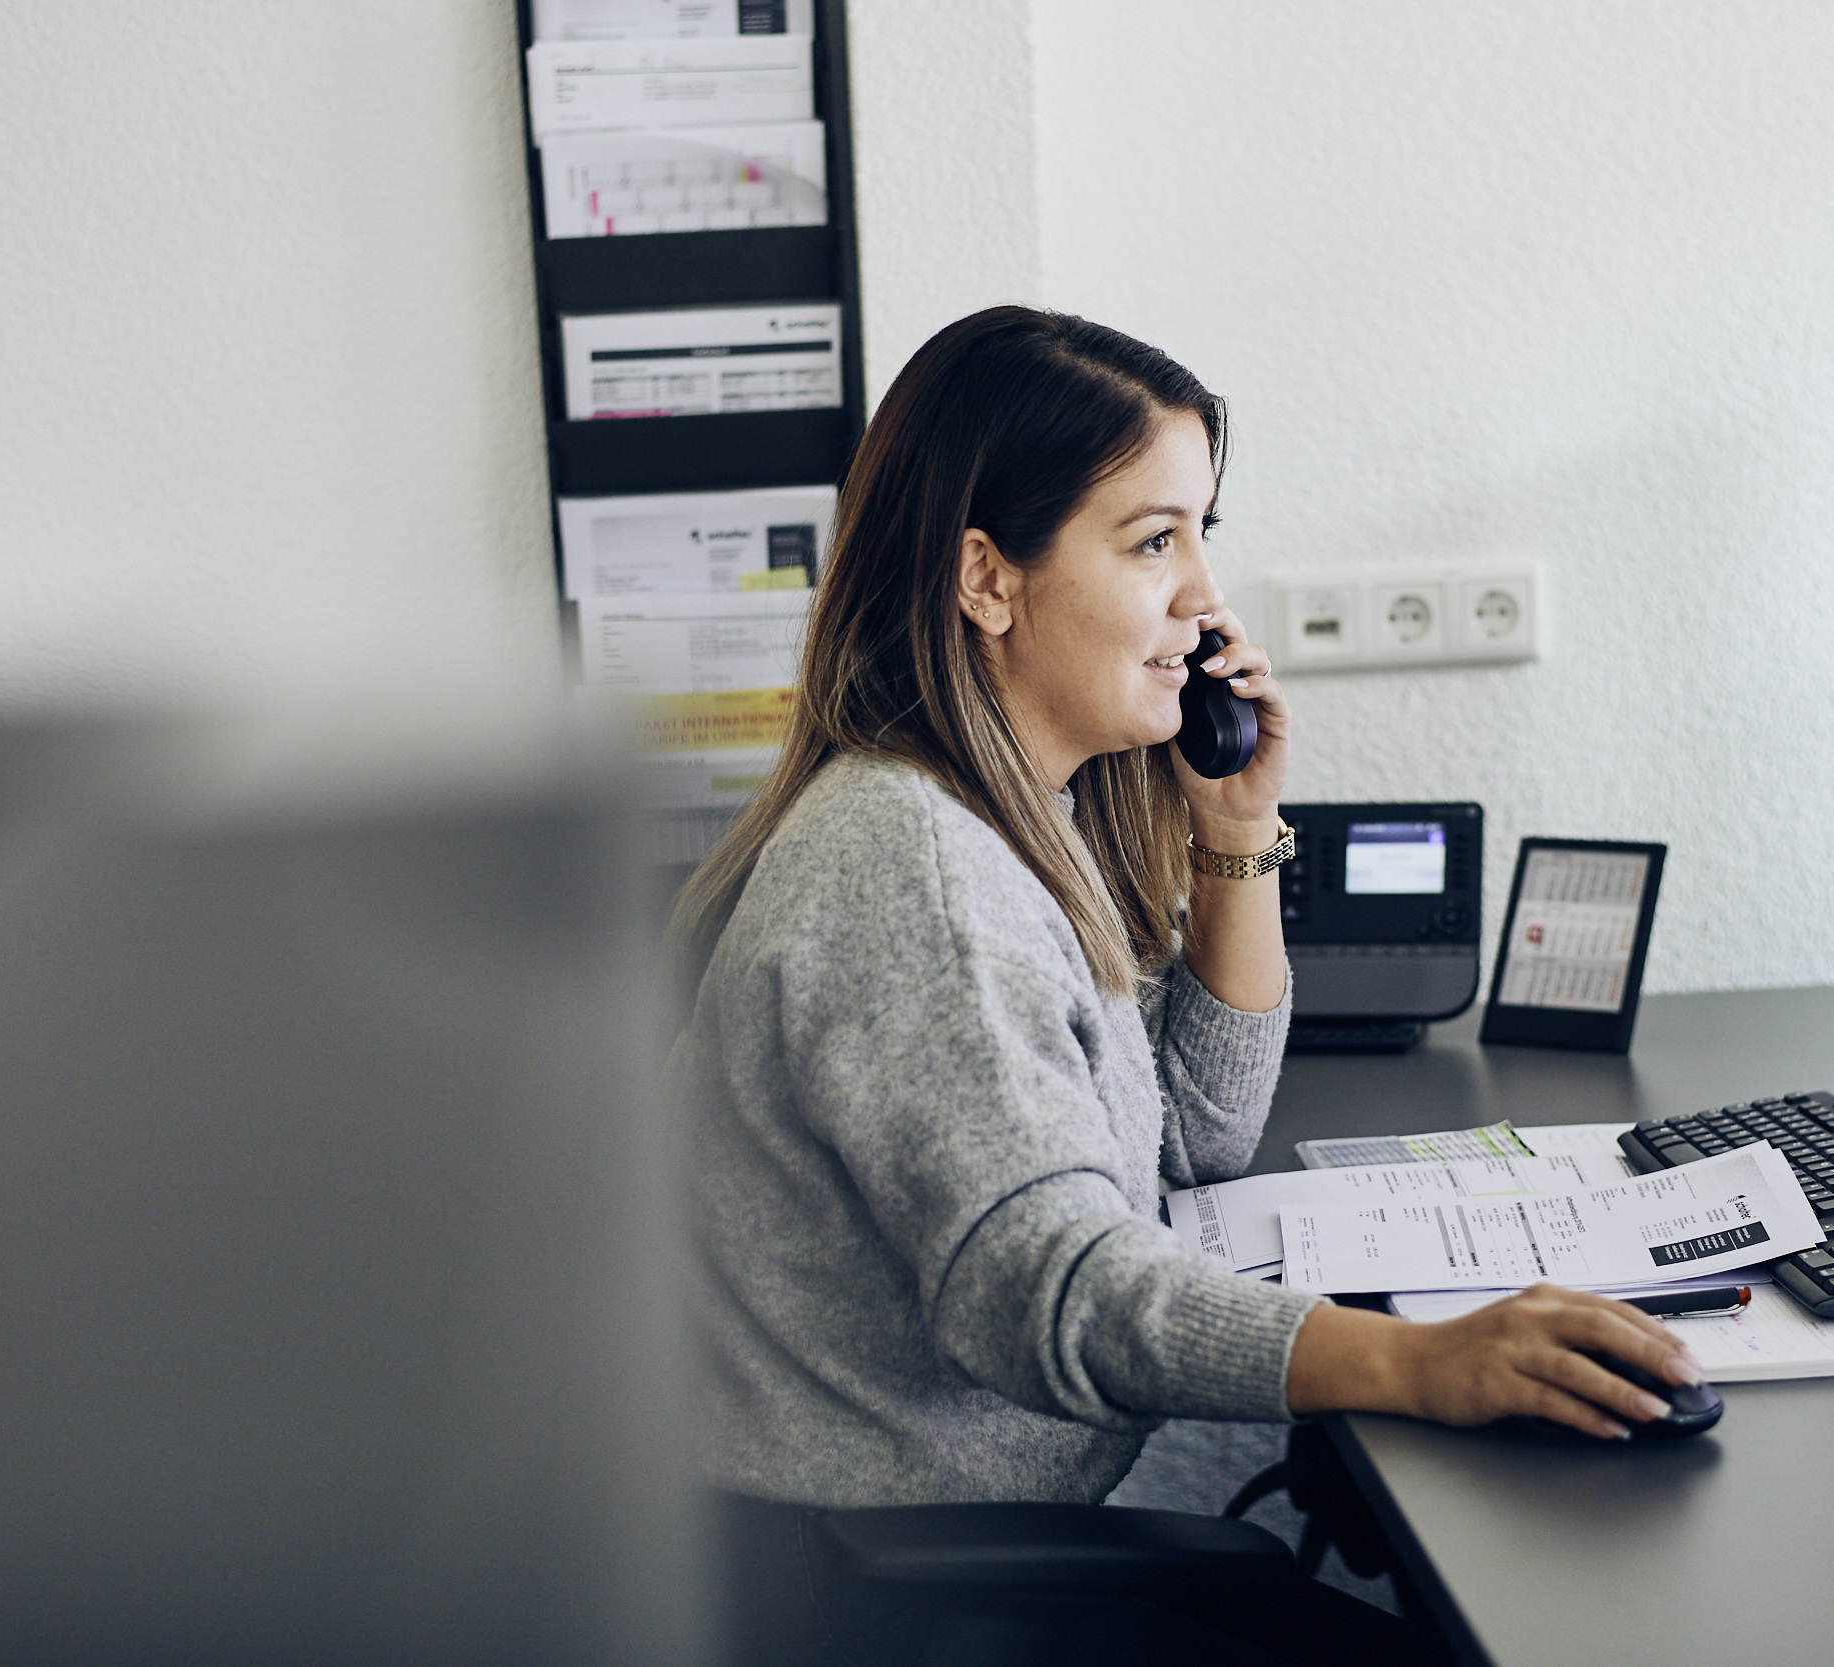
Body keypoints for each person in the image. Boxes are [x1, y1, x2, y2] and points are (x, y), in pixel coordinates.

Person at [668, 307, 1700, 1662]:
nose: (1208, 600)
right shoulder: (913, 872)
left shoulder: (1004, 823)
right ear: (988, 578)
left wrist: (1232, 836)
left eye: (1203, 534)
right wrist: (1418, 1363)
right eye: (1155, 541)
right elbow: (1053, 1291)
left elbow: (1184, 1140)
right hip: (892, 1593)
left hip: (935, 1558)